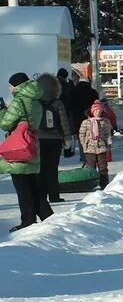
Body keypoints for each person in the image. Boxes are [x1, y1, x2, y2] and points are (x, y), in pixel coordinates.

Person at [1, 73, 51, 232]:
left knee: (23, 189)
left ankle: (28, 221)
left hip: (18, 149)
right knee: (34, 187)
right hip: (31, 145)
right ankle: (48, 217)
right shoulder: (35, 100)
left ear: (17, 85)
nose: (9, 88)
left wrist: (2, 110)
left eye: (10, 85)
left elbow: (5, 124)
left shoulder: (19, 101)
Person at [36, 73, 74, 205]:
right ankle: (54, 195)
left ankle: (41, 196)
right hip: (55, 139)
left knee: (40, 169)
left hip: (39, 139)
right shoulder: (58, 103)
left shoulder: (35, 103)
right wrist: (67, 138)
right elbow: (64, 122)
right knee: (52, 169)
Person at [79, 101, 113, 190]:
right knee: (91, 167)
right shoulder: (86, 122)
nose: (97, 112)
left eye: (99, 111)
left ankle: (104, 183)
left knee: (103, 167)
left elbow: (108, 133)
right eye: (96, 111)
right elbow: (82, 134)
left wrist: (109, 142)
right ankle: (90, 183)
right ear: (92, 111)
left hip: (101, 147)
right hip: (89, 148)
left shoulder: (105, 122)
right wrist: (84, 144)